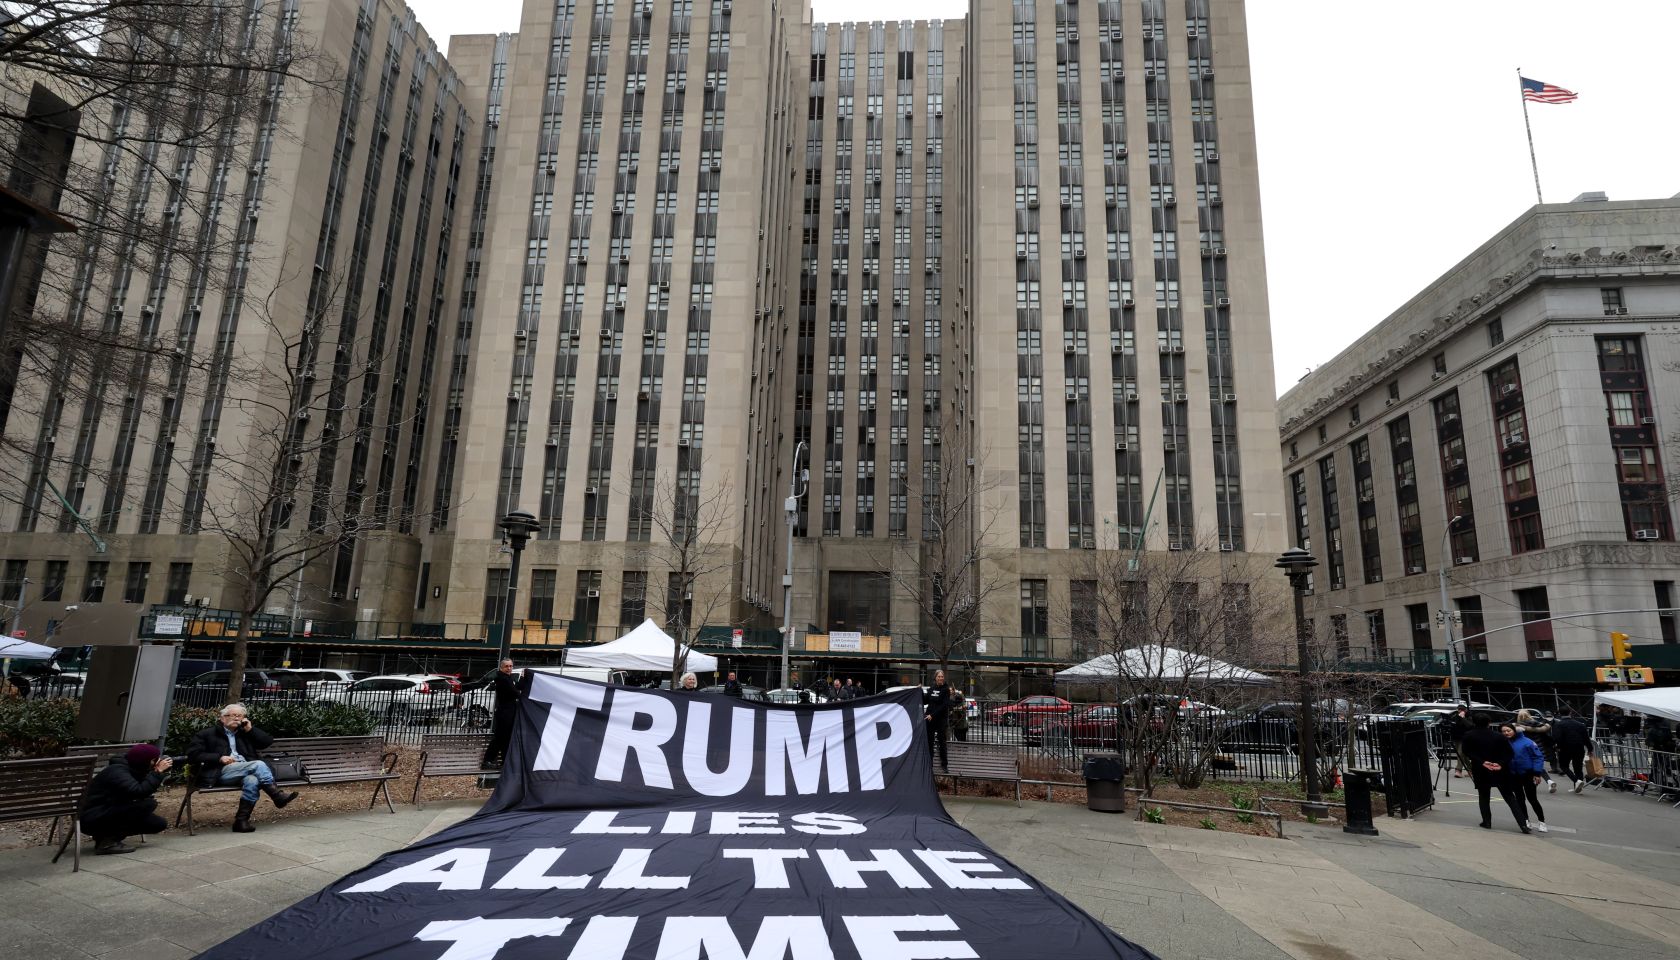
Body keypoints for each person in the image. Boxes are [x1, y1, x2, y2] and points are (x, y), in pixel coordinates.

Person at [188, 703, 298, 834]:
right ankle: (277, 796)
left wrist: (250, 729)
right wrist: (219, 758)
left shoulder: (245, 733)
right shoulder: (207, 734)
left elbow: (267, 742)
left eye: (240, 716)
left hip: (245, 770)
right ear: (223, 718)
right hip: (219, 772)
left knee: (252, 781)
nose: (237, 718)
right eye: (233, 715)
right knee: (258, 764)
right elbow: (193, 754)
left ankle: (241, 822)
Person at [81, 745, 172, 855]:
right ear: (147, 761)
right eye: (155, 760)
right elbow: (138, 792)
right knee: (147, 804)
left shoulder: (134, 769)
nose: (158, 762)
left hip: (107, 810)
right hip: (92, 816)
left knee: (158, 824)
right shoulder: (117, 771)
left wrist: (153, 773)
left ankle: (105, 836)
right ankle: (107, 842)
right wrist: (157, 773)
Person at [1461, 713, 1528, 833]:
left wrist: (1482, 762)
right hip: (1500, 769)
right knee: (1510, 797)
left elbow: (1467, 752)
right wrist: (1500, 764)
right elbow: (1509, 753)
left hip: (1481, 769)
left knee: (1484, 796)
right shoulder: (1499, 736)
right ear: (1489, 723)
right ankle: (1523, 824)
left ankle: (1487, 821)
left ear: (1474, 722)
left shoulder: (1468, 735)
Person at [469, 659, 521, 768]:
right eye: (507, 666)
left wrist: (524, 679)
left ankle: (502, 761)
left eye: (511, 666)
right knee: (500, 738)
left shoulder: (507, 678)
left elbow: (516, 689)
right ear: (501, 667)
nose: (509, 668)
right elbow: (515, 692)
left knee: (505, 738)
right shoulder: (502, 679)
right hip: (505, 713)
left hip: (509, 712)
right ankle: (488, 760)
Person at [1503, 722, 1547, 833]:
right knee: (1519, 799)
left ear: (1515, 730)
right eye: (1504, 731)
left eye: (1508, 730)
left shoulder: (1528, 742)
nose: (1506, 733)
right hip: (1513, 775)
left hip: (1528, 774)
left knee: (1532, 799)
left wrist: (1537, 773)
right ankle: (1526, 820)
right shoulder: (1505, 742)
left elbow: (1538, 757)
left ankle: (1542, 821)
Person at [1515, 709, 1556, 793]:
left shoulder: (1519, 727)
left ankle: (1536, 785)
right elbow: (1546, 729)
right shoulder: (1538, 723)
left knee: (1533, 767)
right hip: (1539, 748)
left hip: (1527, 749)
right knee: (1537, 765)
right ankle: (1548, 781)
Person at [1551, 708, 1591, 793]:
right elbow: (1586, 738)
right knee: (1578, 768)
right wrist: (1590, 749)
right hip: (1579, 748)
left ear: (1560, 714)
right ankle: (1578, 788)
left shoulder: (1559, 725)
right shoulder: (1580, 724)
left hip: (1565, 748)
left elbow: (1556, 737)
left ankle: (1576, 781)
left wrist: (1556, 746)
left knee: (1564, 766)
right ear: (1570, 713)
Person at [924, 669, 954, 771]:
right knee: (930, 742)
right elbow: (925, 700)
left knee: (942, 742)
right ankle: (929, 763)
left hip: (940, 719)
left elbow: (944, 705)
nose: (940, 678)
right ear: (935, 678)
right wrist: (918, 691)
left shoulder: (946, 689)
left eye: (942, 676)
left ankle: (944, 764)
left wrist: (933, 715)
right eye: (939, 676)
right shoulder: (931, 689)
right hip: (930, 719)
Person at [1443, 704, 1473, 777]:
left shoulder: (1469, 716)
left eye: (1462, 710)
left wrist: (1463, 718)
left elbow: (1469, 725)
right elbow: (1453, 724)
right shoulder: (1456, 716)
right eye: (1459, 709)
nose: (1460, 711)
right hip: (1457, 737)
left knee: (1460, 753)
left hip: (1465, 738)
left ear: (1465, 710)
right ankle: (1471, 770)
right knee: (1463, 756)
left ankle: (1458, 770)